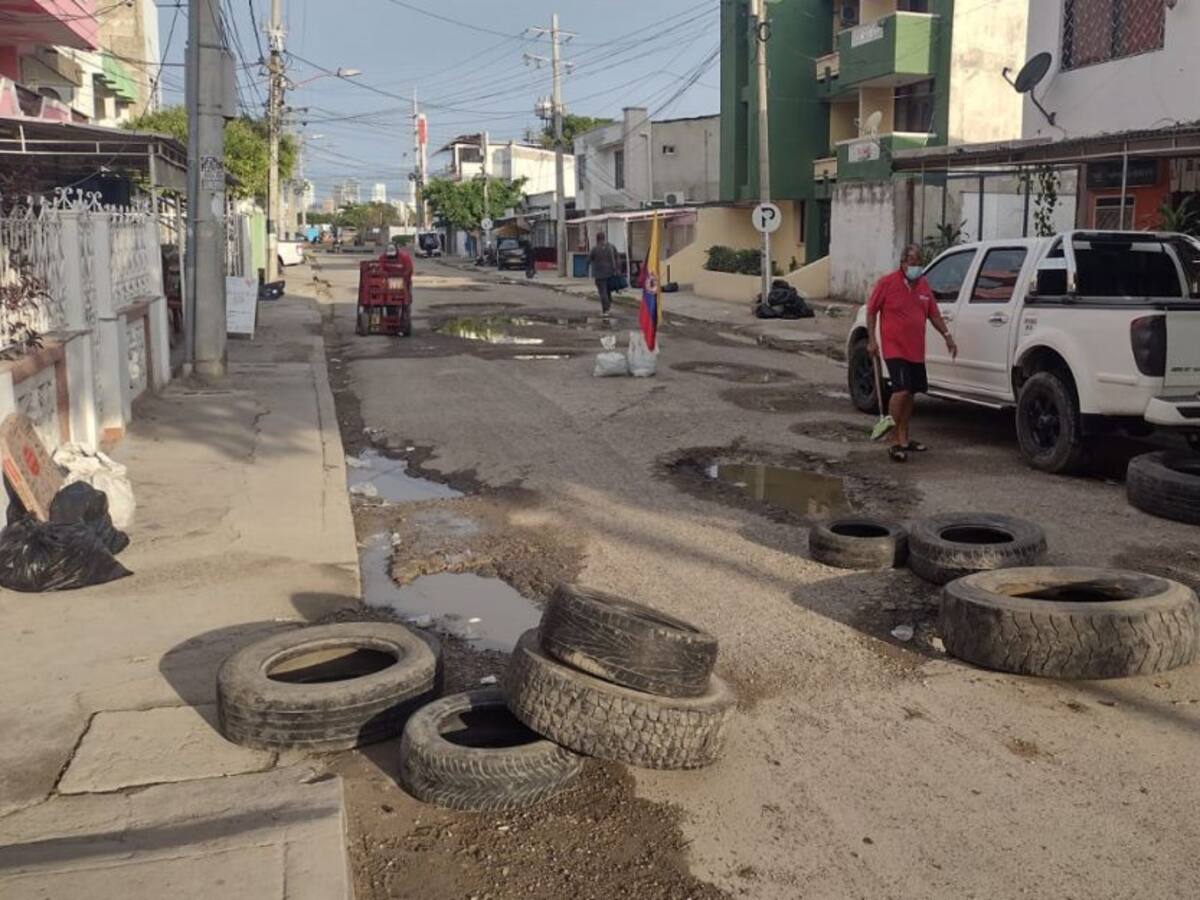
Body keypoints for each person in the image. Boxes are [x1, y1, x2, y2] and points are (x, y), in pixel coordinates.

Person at [866, 243, 957, 463]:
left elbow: (933, 314)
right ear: (903, 264)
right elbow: (871, 310)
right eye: (913, 263)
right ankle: (892, 439)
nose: (916, 268)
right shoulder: (887, 283)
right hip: (894, 347)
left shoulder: (924, 285)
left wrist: (947, 335)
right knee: (901, 390)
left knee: (912, 393)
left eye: (919, 263)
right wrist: (871, 340)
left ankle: (904, 438)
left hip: (915, 349)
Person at [588, 232, 620, 315]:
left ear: (597, 239)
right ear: (604, 238)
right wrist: (617, 269)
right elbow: (617, 257)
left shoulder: (595, 249)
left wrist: (587, 267)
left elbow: (589, 259)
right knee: (607, 291)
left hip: (599, 275)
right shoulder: (611, 247)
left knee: (603, 292)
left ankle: (606, 309)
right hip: (610, 273)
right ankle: (607, 306)